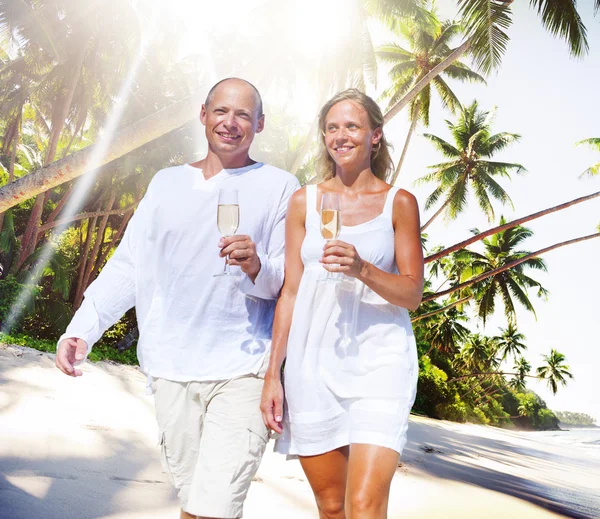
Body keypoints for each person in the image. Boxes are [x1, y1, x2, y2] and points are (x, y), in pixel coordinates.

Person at [55, 77, 300, 519]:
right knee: (197, 504)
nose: (230, 122)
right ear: (203, 115)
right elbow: (130, 263)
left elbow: (286, 283)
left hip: (244, 370)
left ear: (260, 124)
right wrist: (84, 328)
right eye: (221, 111)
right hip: (171, 369)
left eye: (243, 114)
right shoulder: (166, 184)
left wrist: (256, 265)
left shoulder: (281, 186)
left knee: (213, 508)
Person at [260, 88, 424, 519]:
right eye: (332, 127)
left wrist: (363, 269)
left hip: (379, 361)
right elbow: (290, 290)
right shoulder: (305, 202)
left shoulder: (399, 203)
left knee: (365, 505)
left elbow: (412, 293)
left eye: (352, 125)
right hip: (313, 364)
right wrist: (272, 374)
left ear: (375, 135)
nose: (341, 135)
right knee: (333, 508)